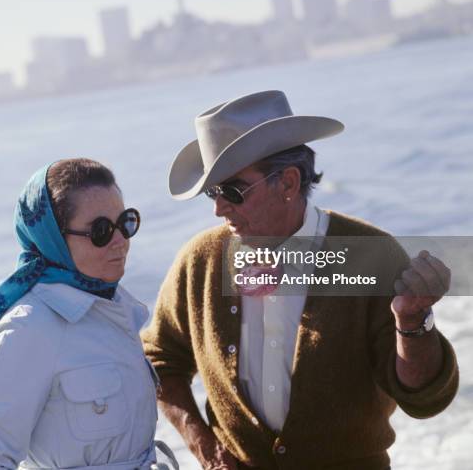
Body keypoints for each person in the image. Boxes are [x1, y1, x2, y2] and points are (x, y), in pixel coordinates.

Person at [141, 90, 459, 470]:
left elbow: (424, 398)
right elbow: (159, 361)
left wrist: (413, 323)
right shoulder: (200, 261)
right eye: (212, 191)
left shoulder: (369, 255)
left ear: (288, 183)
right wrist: (204, 449)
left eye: (232, 191)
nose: (217, 207)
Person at [0, 158, 178, 470]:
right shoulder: (27, 330)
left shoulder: (116, 306)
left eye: (126, 222)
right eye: (101, 230)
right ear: (53, 239)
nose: (121, 240)